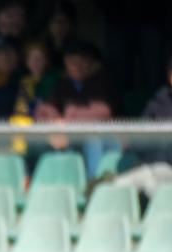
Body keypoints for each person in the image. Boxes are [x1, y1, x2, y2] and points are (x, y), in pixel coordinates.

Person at [110, 49, 172, 196]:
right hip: (151, 164)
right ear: (170, 74)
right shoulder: (159, 101)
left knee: (152, 181)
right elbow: (139, 139)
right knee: (117, 187)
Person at [36, 41, 117, 178]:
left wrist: (67, 118)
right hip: (69, 136)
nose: (77, 66)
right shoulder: (62, 84)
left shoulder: (102, 82)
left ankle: (93, 185)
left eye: (82, 62)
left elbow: (103, 111)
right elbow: (43, 110)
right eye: (72, 62)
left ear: (92, 64)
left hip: (103, 137)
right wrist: (56, 121)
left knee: (92, 139)